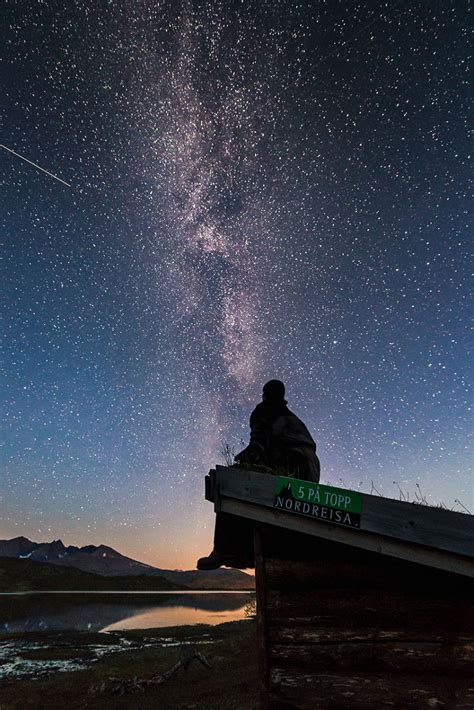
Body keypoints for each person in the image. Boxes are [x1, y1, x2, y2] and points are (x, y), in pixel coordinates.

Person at [196, 380, 320, 570]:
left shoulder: (264, 410)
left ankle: (224, 552)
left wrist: (242, 461)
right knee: (252, 488)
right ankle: (247, 550)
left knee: (231, 481)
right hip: (311, 470)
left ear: (265, 394)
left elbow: (259, 445)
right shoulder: (292, 417)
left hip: (293, 465)